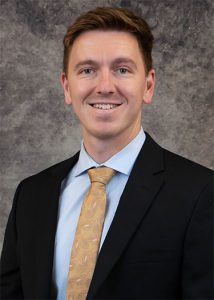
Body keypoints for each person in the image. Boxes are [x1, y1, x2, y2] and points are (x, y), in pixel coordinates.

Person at [0, 6, 213, 300]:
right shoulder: (31, 195)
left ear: (148, 86)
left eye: (122, 70)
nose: (104, 86)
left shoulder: (200, 194)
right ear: (67, 87)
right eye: (87, 70)